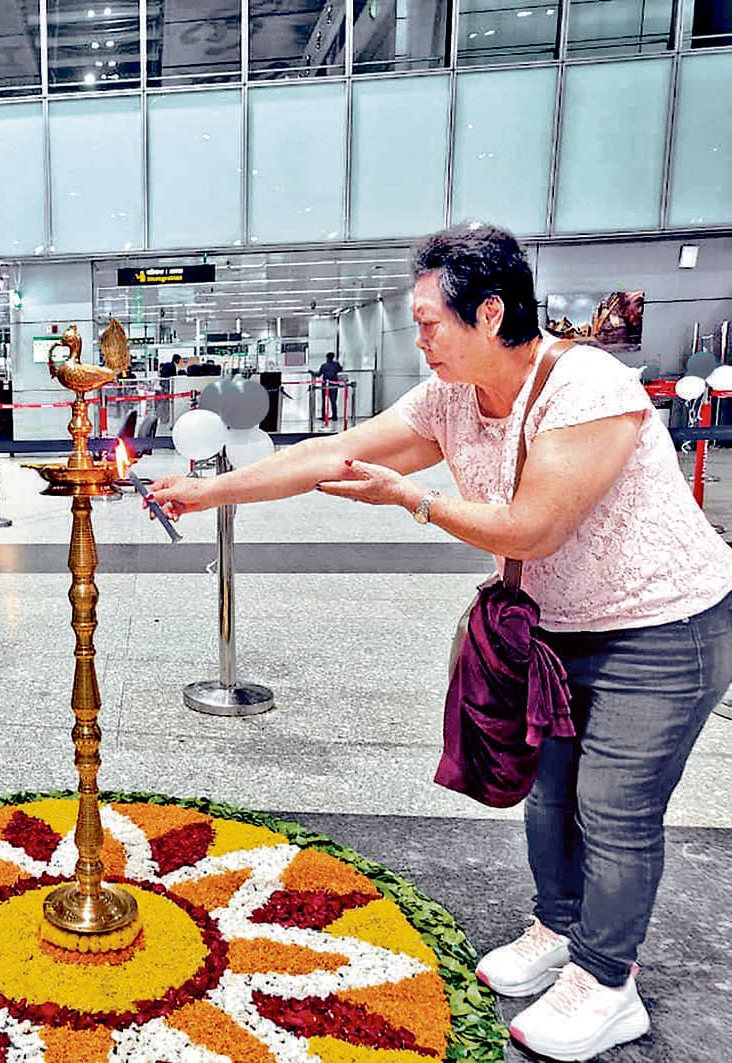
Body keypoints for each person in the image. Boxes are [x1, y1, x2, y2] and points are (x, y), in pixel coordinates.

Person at [149, 223, 732, 1063]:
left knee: (614, 809)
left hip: (661, 626)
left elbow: (529, 529)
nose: (416, 336)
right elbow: (328, 453)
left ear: (488, 312)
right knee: (550, 792)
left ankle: (608, 984)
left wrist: (412, 501)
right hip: (557, 629)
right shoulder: (449, 399)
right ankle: (558, 928)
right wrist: (208, 493)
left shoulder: (585, 385)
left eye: (428, 321)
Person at [313, 352, 344, 424]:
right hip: (334, 385)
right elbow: (340, 370)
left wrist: (311, 372)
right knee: (333, 401)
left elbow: (318, 374)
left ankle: (324, 416)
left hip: (325, 385)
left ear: (327, 358)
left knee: (324, 401)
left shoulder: (324, 366)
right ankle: (334, 416)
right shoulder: (336, 364)